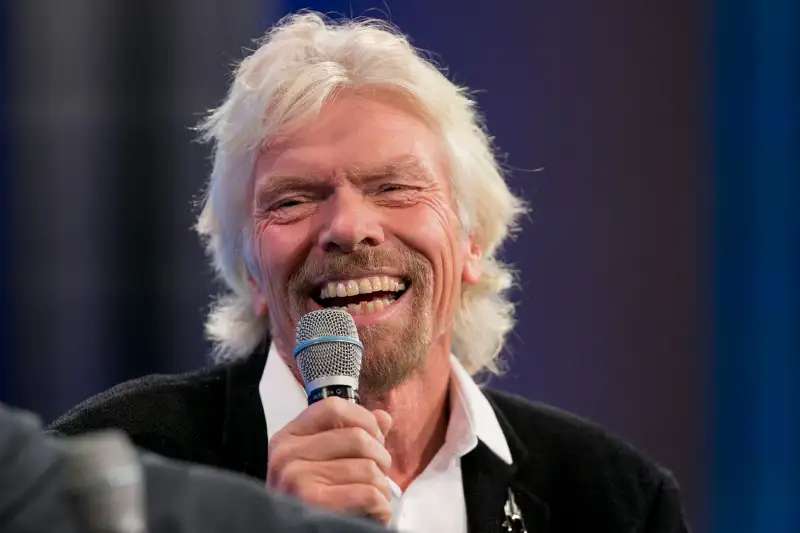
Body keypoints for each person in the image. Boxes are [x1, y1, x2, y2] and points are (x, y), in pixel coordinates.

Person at [48, 11, 689, 533]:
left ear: (471, 240)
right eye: (294, 199)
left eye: (394, 187)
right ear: (248, 272)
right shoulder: (109, 468)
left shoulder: (615, 499)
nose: (349, 228)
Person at [0, 402, 387, 533]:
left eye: (397, 205)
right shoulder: (99, 449)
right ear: (248, 278)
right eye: (290, 207)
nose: (349, 229)